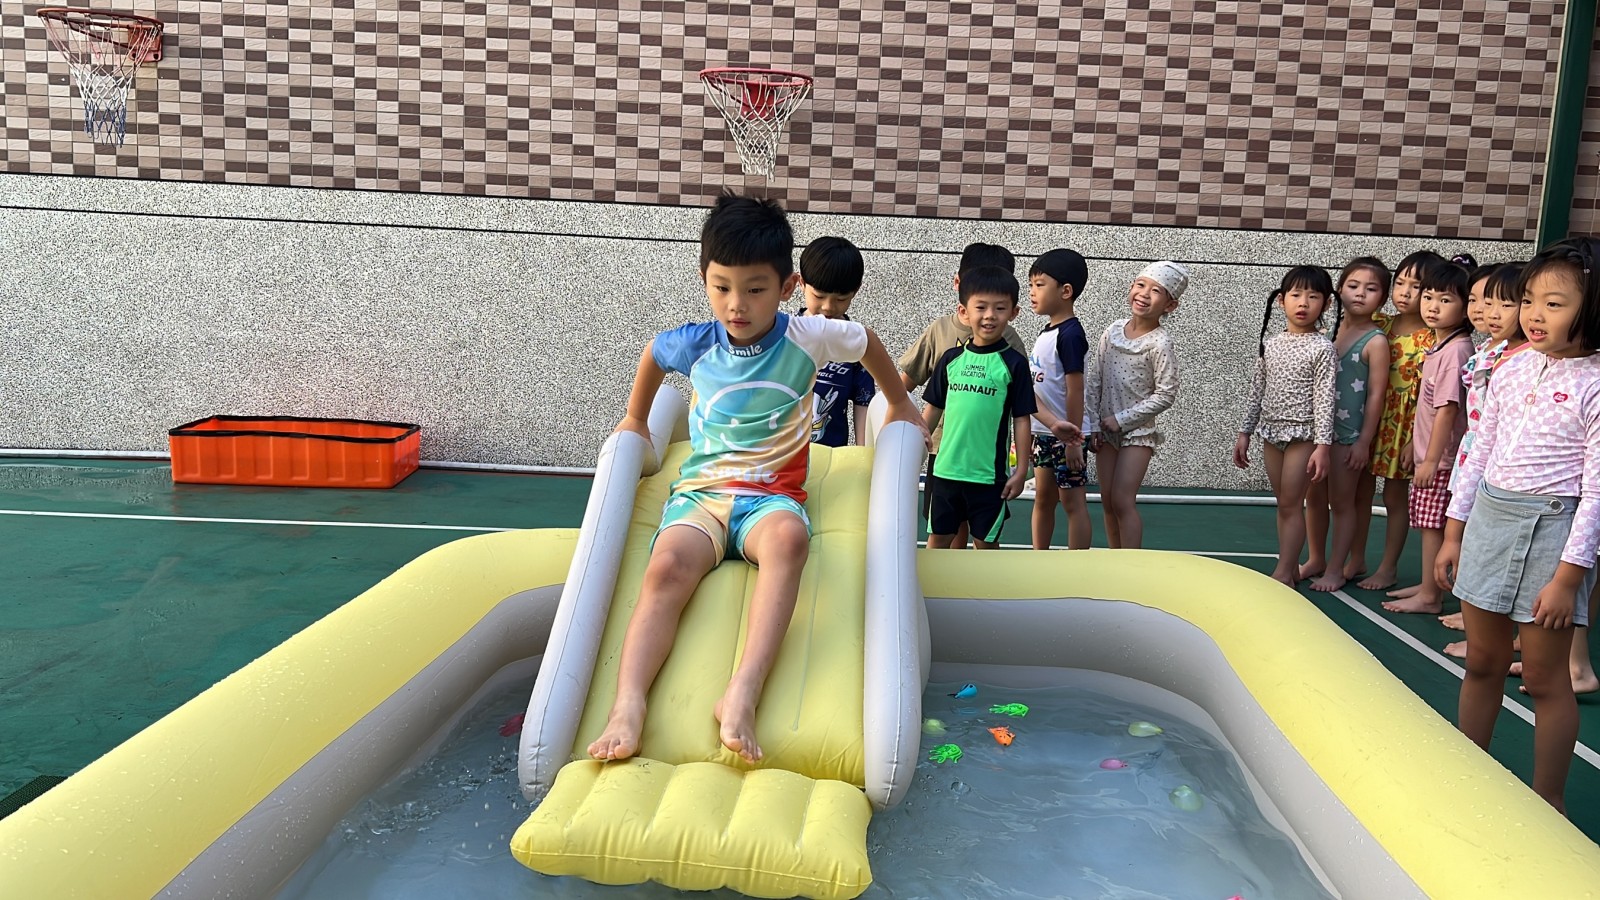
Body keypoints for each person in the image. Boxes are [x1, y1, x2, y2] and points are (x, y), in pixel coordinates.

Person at [587, 194, 925, 765]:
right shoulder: (696, 342)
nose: (736, 304)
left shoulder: (807, 336)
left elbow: (866, 342)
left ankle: (742, 689)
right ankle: (628, 704)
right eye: (721, 287)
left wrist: (899, 402)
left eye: (755, 289)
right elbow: (653, 355)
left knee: (789, 543)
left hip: (771, 497)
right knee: (665, 567)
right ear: (704, 279)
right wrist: (636, 419)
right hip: (703, 495)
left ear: (787, 286)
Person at [1436, 237, 1600, 813]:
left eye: (1554, 304)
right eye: (1529, 300)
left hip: (1554, 531)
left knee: (1544, 678)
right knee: (1482, 661)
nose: (1534, 314)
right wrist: (1455, 530)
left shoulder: (1595, 382)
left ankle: (1547, 799)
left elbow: (1596, 492)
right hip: (1490, 517)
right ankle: (1467, 778)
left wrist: (1568, 579)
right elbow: (1478, 450)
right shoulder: (1510, 367)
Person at [899, 243, 1027, 547]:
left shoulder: (1013, 359)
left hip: (989, 472)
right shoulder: (949, 355)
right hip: (944, 464)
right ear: (963, 307)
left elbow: (1023, 414)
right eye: (981, 306)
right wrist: (909, 448)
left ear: (1013, 311)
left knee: (985, 541)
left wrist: (1022, 468)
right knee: (941, 536)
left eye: (999, 307)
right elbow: (928, 407)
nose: (989, 315)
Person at [1232, 266, 1338, 586]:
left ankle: (1283, 573)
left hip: (1303, 435)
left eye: (1313, 296)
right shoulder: (1271, 343)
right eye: (1296, 295)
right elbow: (1257, 390)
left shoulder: (1322, 347)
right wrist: (1245, 432)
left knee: (1292, 503)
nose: (1303, 302)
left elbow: (1325, 399)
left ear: (1326, 304)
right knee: (1284, 505)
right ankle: (1289, 567)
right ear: (1281, 300)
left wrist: (1323, 446)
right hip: (1271, 432)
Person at [1384, 258, 1474, 614]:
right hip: (1430, 454)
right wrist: (1415, 445)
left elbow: (1447, 410)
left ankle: (1431, 595)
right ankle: (1427, 586)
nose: (1433, 306)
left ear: (1466, 307)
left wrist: (1431, 460)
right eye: (1429, 297)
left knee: (1433, 526)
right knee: (1427, 524)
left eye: (1446, 300)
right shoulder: (1441, 346)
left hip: (1442, 459)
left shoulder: (1456, 350)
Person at [1357, 250, 1444, 590]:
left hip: (1407, 428)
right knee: (1360, 493)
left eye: (1417, 286)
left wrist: (1415, 442)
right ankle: (1355, 558)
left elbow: (1433, 397)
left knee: (1395, 499)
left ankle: (1388, 567)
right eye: (1401, 283)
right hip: (1372, 421)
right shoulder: (1380, 324)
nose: (1406, 292)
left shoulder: (1433, 338)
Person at [1304, 258, 1392, 592]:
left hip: (1348, 435)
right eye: (1353, 286)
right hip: (1320, 434)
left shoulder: (1375, 341)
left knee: (1342, 503)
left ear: (1382, 298)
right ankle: (1316, 558)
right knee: (1315, 497)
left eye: (1371, 289)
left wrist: (1363, 441)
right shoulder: (1329, 332)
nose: (1360, 294)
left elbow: (1376, 395)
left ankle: (1336, 568)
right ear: (1339, 289)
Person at [1086, 261, 1186, 549]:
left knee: (1122, 500)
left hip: (1137, 433)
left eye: (1156, 291)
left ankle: (1131, 562)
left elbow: (1166, 393)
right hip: (1105, 430)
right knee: (1107, 500)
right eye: (1140, 285)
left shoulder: (1160, 343)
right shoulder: (1113, 331)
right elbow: (1095, 380)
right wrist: (1092, 424)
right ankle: (1114, 557)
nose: (1144, 294)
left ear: (1170, 305)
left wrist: (1122, 420)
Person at [1026, 248, 1093, 550]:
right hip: (1044, 432)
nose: (1032, 292)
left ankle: (1076, 564)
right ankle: (1039, 558)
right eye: (1030, 285)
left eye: (1039, 285)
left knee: (1072, 502)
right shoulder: (1047, 332)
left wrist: (1073, 441)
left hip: (1067, 435)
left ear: (1066, 291)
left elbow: (1075, 389)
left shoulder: (1071, 335)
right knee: (1043, 497)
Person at [798, 236, 875, 447]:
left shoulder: (856, 343)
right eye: (819, 296)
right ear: (801, 283)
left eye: (841, 299)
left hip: (833, 456)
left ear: (856, 291)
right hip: (784, 454)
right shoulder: (786, 334)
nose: (828, 307)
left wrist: (863, 454)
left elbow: (863, 402)